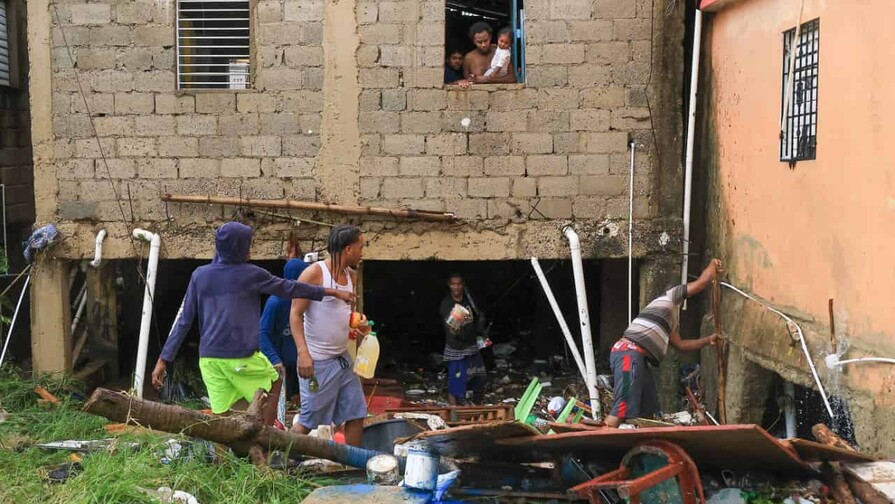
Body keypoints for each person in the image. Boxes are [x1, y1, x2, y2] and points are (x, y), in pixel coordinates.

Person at [150, 222, 355, 426]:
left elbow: (183, 321)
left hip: (208, 360)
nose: (250, 249)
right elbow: (289, 288)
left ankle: (228, 457)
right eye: (247, 244)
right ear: (237, 247)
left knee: (220, 417)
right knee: (275, 380)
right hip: (240, 356)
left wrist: (163, 359)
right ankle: (265, 436)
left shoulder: (200, 275)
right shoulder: (251, 274)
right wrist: (333, 292)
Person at [604, 259, 724, 428]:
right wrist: (712, 266)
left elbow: (681, 345)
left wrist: (708, 340)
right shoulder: (670, 297)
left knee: (649, 414)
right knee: (621, 409)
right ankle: (604, 436)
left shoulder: (670, 320)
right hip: (628, 352)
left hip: (639, 359)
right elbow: (701, 283)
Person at [290, 224, 371, 446]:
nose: (362, 252)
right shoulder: (314, 274)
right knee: (308, 420)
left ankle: (352, 464)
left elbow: (342, 313)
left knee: (356, 412)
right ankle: (279, 458)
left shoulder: (350, 275)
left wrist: (358, 323)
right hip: (317, 362)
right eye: (360, 247)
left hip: (342, 359)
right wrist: (303, 354)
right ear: (348, 250)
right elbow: (295, 315)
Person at [259, 257, 309, 406]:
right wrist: (274, 359)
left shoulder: (305, 299)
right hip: (282, 367)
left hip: (302, 365)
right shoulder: (276, 302)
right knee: (279, 405)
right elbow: (262, 333)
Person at [439, 274, 487, 405]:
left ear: (463, 285)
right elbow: (452, 329)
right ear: (449, 285)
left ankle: (476, 408)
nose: (456, 287)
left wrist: (481, 326)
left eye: (459, 284)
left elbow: (476, 322)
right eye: (453, 284)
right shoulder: (446, 304)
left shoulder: (469, 301)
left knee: (479, 379)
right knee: (456, 383)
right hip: (456, 349)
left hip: (471, 347)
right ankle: (454, 414)